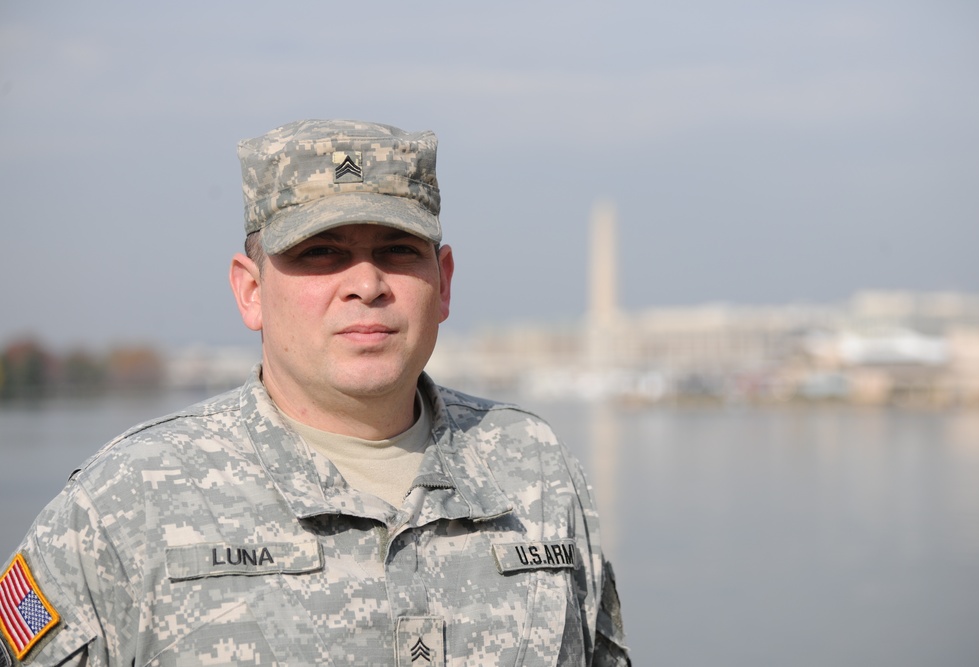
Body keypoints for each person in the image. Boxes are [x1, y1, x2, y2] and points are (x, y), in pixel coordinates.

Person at [0, 119, 630, 666]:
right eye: (321, 252)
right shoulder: (123, 503)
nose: (366, 283)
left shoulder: (537, 473)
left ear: (442, 283)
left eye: (396, 249)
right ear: (250, 291)